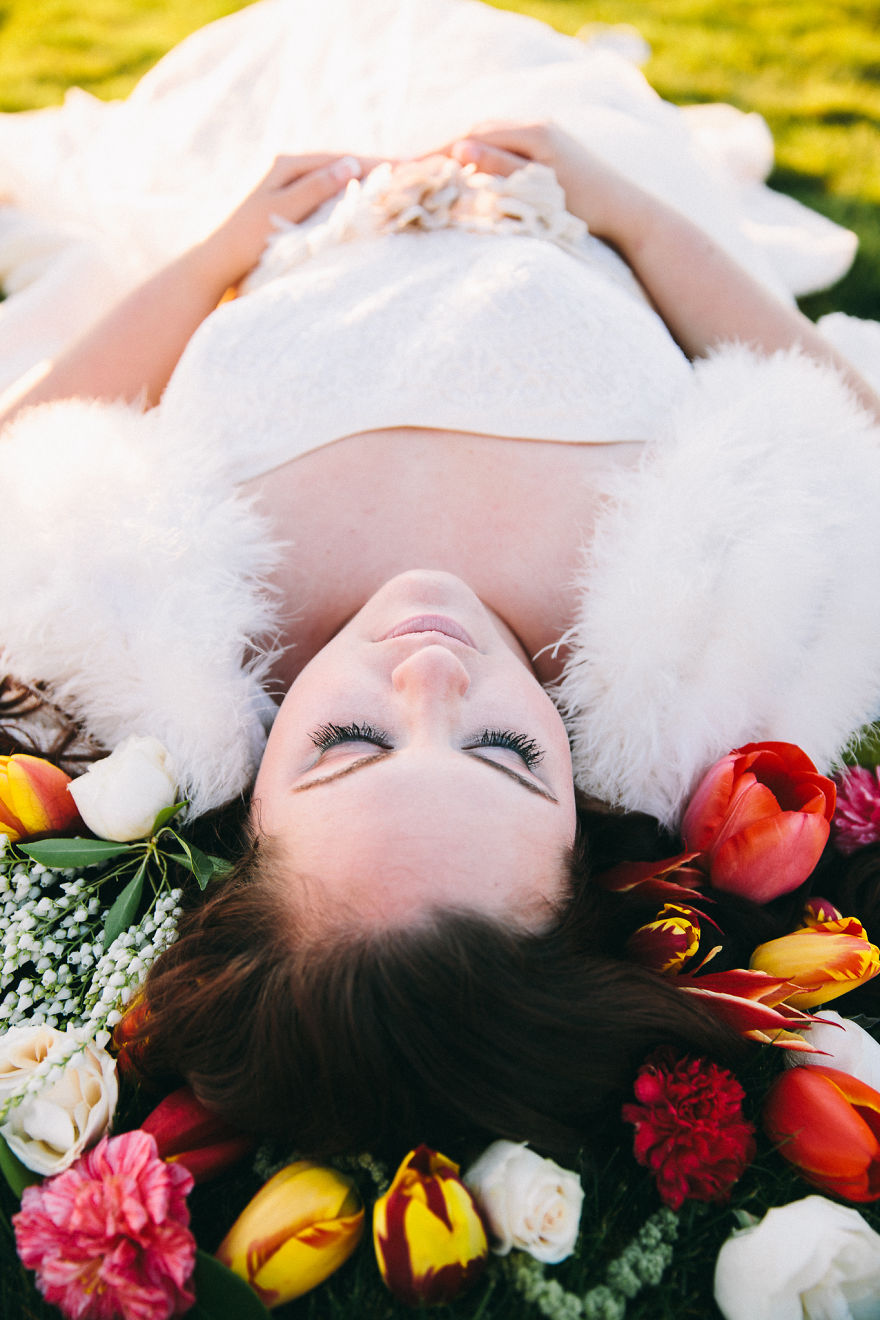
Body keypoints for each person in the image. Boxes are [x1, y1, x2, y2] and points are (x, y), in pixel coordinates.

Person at [4, 0, 880, 1156]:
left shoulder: (164, 624)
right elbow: (826, 408)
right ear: (586, 838)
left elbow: (42, 429)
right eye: (505, 755)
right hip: (560, 166)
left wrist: (219, 249)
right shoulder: (698, 626)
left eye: (348, 744)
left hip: (293, 174)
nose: (428, 673)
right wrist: (623, 208)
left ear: (247, 817)